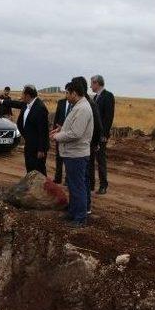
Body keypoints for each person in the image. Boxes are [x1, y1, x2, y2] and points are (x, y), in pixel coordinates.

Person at [50, 81, 94, 228]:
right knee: (74, 186)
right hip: (72, 153)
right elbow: (72, 127)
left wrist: (58, 137)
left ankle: (80, 218)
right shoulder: (79, 106)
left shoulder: (82, 108)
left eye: (67, 93)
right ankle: (73, 212)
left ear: (74, 93)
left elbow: (76, 133)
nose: (66, 95)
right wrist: (61, 130)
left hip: (77, 154)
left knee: (77, 186)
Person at [0, 85, 49, 175]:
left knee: (39, 170)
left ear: (28, 96)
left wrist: (41, 150)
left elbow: (43, 131)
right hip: (29, 143)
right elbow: (16, 104)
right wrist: (2, 101)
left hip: (37, 147)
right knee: (29, 167)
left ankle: (42, 188)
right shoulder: (26, 104)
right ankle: (31, 187)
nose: (21, 96)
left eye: (22, 94)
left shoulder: (40, 108)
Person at [71, 76, 102, 214]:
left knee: (84, 179)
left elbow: (98, 127)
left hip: (85, 147)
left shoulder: (88, 105)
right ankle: (76, 207)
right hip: (76, 148)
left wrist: (94, 144)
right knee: (77, 180)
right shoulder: (78, 103)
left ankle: (85, 208)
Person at [90, 74, 115, 194]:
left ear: (97, 83)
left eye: (92, 83)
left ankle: (103, 185)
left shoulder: (108, 96)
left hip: (101, 135)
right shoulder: (94, 98)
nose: (90, 86)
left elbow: (108, 117)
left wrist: (104, 134)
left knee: (101, 161)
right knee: (90, 160)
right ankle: (91, 184)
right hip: (92, 134)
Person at [52, 92, 70, 183]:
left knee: (68, 156)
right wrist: (54, 131)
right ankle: (58, 177)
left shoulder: (75, 104)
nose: (67, 94)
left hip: (69, 134)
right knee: (58, 156)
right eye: (66, 92)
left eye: (68, 92)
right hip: (59, 132)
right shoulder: (61, 102)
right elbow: (57, 117)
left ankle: (67, 179)